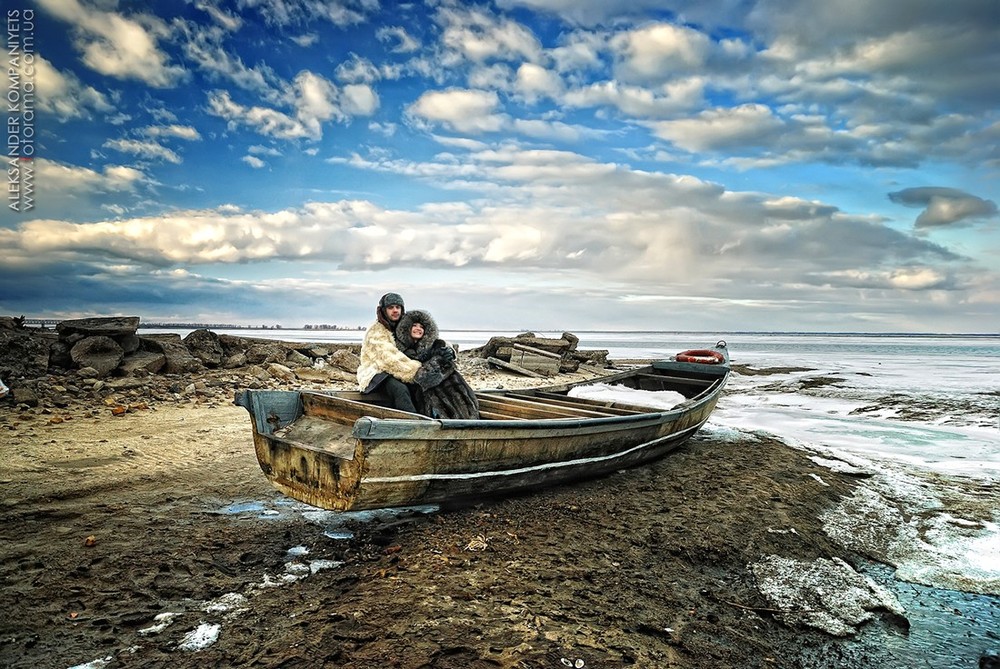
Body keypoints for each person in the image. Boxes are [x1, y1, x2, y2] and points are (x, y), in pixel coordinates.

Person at [395, 309, 480, 419]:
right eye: (414, 325)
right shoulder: (402, 350)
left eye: (421, 327)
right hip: (425, 398)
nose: (418, 329)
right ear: (407, 328)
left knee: (461, 412)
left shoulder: (436, 345)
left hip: (449, 391)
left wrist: (446, 356)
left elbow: (442, 366)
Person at [356, 292, 421, 413]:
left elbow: (426, 339)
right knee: (400, 389)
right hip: (376, 372)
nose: (395, 310)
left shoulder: (404, 328)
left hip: (398, 370)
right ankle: (414, 423)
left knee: (420, 388)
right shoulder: (376, 331)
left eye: (398, 307)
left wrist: (444, 347)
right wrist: (417, 370)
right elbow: (388, 359)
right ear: (383, 311)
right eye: (391, 307)